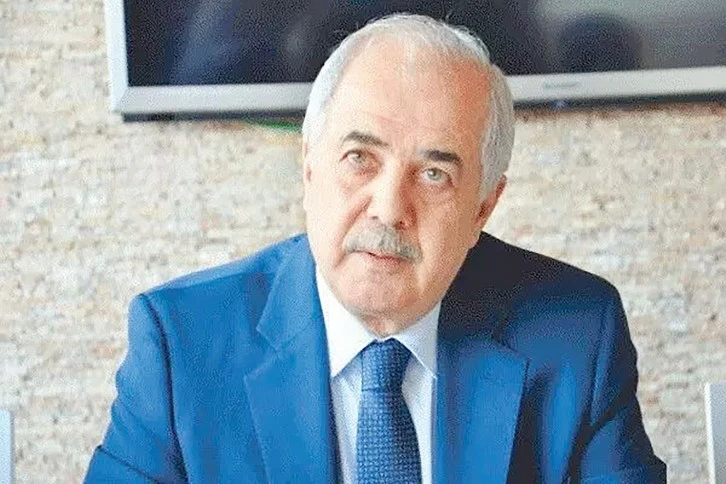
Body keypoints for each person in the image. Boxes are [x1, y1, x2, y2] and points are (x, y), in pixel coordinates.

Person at [86, 13, 666, 483]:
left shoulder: (577, 335)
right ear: (309, 165)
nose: (389, 209)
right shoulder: (182, 344)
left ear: (483, 208)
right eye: (359, 158)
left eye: (435, 174)